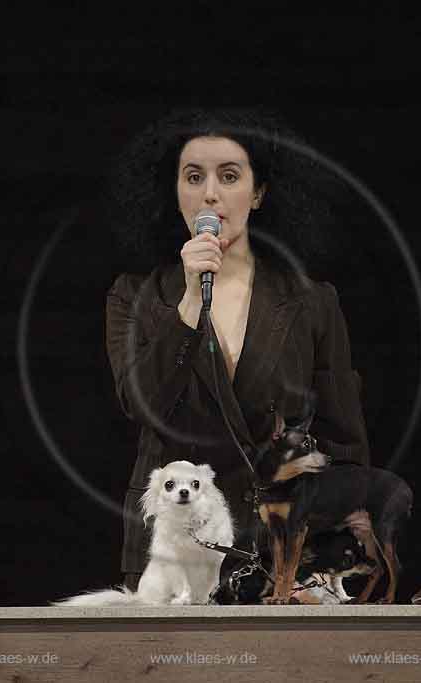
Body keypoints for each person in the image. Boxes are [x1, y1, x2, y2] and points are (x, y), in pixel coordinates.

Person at [104, 108, 370, 592]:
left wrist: (338, 552)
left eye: (229, 176)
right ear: (175, 192)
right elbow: (140, 404)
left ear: (260, 192)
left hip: (285, 551)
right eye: (193, 176)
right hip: (176, 553)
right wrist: (187, 303)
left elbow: (344, 441)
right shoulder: (135, 296)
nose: (210, 193)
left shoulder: (311, 301)